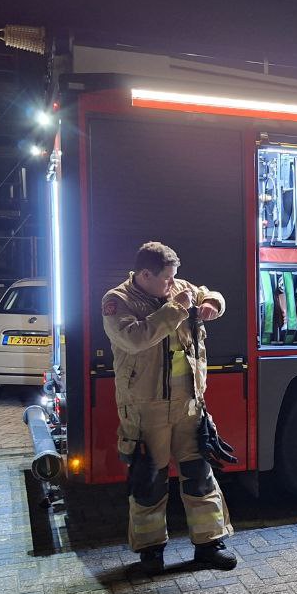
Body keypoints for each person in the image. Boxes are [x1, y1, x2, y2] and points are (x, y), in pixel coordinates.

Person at [101, 241, 236, 574]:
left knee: (199, 476)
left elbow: (210, 294)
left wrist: (212, 303)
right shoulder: (117, 301)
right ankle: (151, 554)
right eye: (166, 278)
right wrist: (177, 309)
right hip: (146, 410)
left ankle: (209, 545)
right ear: (145, 275)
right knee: (150, 481)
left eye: (175, 277)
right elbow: (135, 338)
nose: (173, 283)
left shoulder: (177, 288)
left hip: (189, 405)